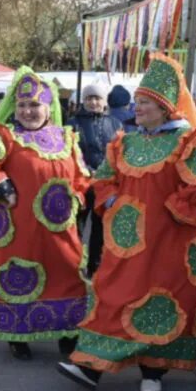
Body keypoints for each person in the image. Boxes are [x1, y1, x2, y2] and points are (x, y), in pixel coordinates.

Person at [57, 54, 196, 391]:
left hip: (169, 239)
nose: (137, 108)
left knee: (161, 300)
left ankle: (153, 371)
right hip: (126, 242)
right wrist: (111, 202)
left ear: (165, 108)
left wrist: (178, 206)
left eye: (145, 103)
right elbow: (105, 178)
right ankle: (90, 365)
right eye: (136, 102)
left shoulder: (189, 140)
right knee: (112, 293)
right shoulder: (126, 141)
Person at [0, 68, 91, 360]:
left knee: (67, 273)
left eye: (34, 105)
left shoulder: (67, 138)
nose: (28, 111)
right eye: (22, 105)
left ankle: (68, 332)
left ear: (48, 107)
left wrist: (76, 198)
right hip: (16, 228)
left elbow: (82, 177)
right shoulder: (2, 135)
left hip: (59, 229)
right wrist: (1, 185)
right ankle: (16, 334)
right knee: (18, 275)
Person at [68, 82, 123, 276]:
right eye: (89, 98)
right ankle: (73, 264)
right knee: (77, 226)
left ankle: (95, 267)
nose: (93, 102)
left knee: (101, 229)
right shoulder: (73, 124)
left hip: (105, 186)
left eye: (97, 98)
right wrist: (87, 171)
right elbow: (71, 154)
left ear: (104, 101)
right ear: (83, 101)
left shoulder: (115, 124)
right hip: (81, 184)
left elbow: (119, 152)